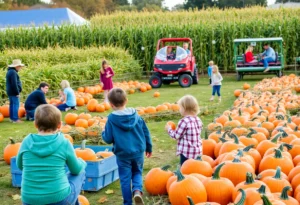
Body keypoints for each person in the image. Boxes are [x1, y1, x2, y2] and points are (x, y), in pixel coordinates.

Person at [16, 104, 86, 205]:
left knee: (65, 180)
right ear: (59, 125)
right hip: (59, 199)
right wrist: (82, 162)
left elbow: (20, 166)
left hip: (29, 200)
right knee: (81, 172)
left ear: (35, 124)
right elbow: (76, 169)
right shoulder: (64, 142)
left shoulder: (26, 142)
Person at [102, 88, 152, 205]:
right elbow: (146, 132)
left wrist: (103, 133)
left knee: (125, 178)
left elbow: (108, 138)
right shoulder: (136, 115)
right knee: (137, 172)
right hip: (138, 151)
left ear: (111, 104)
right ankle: (137, 191)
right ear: (126, 101)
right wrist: (149, 147)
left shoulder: (111, 119)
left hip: (123, 154)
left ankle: (127, 202)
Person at [165, 95, 203, 166]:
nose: (179, 109)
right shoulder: (198, 119)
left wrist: (169, 129)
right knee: (195, 169)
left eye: (180, 108)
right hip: (197, 151)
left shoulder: (183, 121)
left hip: (186, 153)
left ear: (185, 108)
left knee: (185, 170)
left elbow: (176, 136)